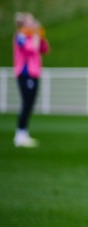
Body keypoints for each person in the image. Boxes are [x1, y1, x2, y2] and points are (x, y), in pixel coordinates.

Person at [13, 12, 49, 148]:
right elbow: (31, 49)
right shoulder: (20, 36)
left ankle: (24, 133)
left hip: (34, 73)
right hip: (25, 73)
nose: (34, 23)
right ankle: (20, 134)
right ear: (23, 24)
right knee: (26, 103)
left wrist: (41, 36)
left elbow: (44, 49)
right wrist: (35, 35)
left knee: (30, 104)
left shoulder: (32, 36)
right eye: (30, 21)